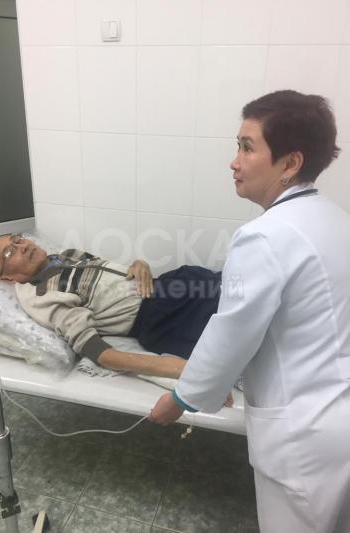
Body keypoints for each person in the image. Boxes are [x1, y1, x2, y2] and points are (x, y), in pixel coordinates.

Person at [149, 90, 350, 533]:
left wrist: (179, 400)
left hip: (304, 437)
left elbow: (231, 333)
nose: (233, 161)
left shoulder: (265, 236)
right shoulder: (336, 220)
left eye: (246, 147)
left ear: (290, 163)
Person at [0, 236, 227, 386]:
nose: (22, 246)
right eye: (9, 252)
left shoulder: (66, 255)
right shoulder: (41, 296)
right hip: (162, 317)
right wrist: (183, 370)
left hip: (169, 285)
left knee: (234, 284)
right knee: (236, 312)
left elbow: (111, 279)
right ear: (7, 278)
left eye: (17, 240)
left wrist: (139, 265)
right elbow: (102, 355)